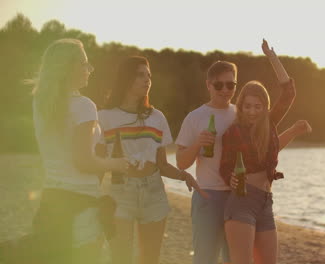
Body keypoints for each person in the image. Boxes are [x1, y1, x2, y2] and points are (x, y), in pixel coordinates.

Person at [97, 56, 203, 264]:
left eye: (149, 76)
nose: (147, 80)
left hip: (153, 192)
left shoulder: (157, 117)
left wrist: (184, 176)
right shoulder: (105, 117)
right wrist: (93, 194)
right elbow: (99, 162)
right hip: (120, 193)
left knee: (150, 259)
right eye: (140, 75)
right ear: (126, 79)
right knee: (120, 257)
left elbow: (161, 165)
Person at [31, 38, 128, 264]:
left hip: (51, 201)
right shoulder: (84, 106)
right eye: (84, 64)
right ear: (69, 67)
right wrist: (117, 164)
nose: (89, 69)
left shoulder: (41, 102)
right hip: (81, 205)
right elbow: (84, 162)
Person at [219, 39, 311, 264]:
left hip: (266, 202)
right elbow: (224, 166)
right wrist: (228, 177)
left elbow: (289, 92)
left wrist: (272, 57)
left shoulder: (269, 125)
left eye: (257, 106)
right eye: (247, 106)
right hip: (242, 201)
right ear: (241, 106)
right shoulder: (233, 132)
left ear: (265, 107)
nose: (252, 111)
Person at [175, 60, 238, 264]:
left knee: (236, 259)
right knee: (205, 259)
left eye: (231, 84)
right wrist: (197, 144)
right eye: (219, 85)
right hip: (208, 197)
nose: (225, 90)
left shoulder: (241, 114)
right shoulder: (195, 117)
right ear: (208, 85)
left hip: (238, 197)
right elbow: (181, 163)